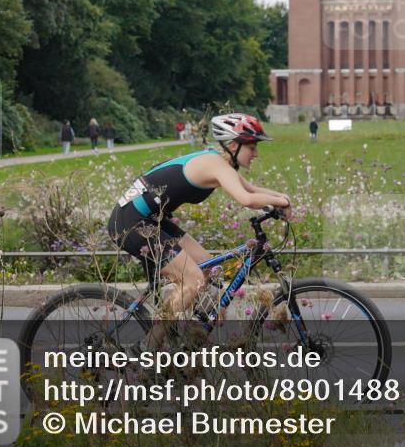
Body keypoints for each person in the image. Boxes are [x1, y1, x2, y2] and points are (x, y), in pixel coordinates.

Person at [107, 113, 292, 346]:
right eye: (252, 147)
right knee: (192, 280)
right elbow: (246, 198)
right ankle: (148, 348)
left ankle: (191, 335)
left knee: (207, 265)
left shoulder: (222, 163)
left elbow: (252, 189)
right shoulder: (216, 165)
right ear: (233, 145)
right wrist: (282, 203)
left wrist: (282, 198)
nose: (256, 153)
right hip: (130, 221)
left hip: (150, 219)